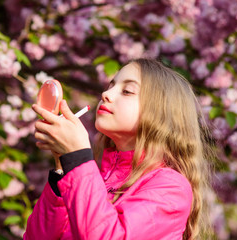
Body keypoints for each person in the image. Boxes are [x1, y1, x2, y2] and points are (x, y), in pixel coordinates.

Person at [24, 58, 212, 240]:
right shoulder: (91, 178)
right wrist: (63, 169)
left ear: (160, 113)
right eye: (110, 86)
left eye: (127, 91)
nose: (106, 94)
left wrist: (77, 157)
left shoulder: (171, 188)